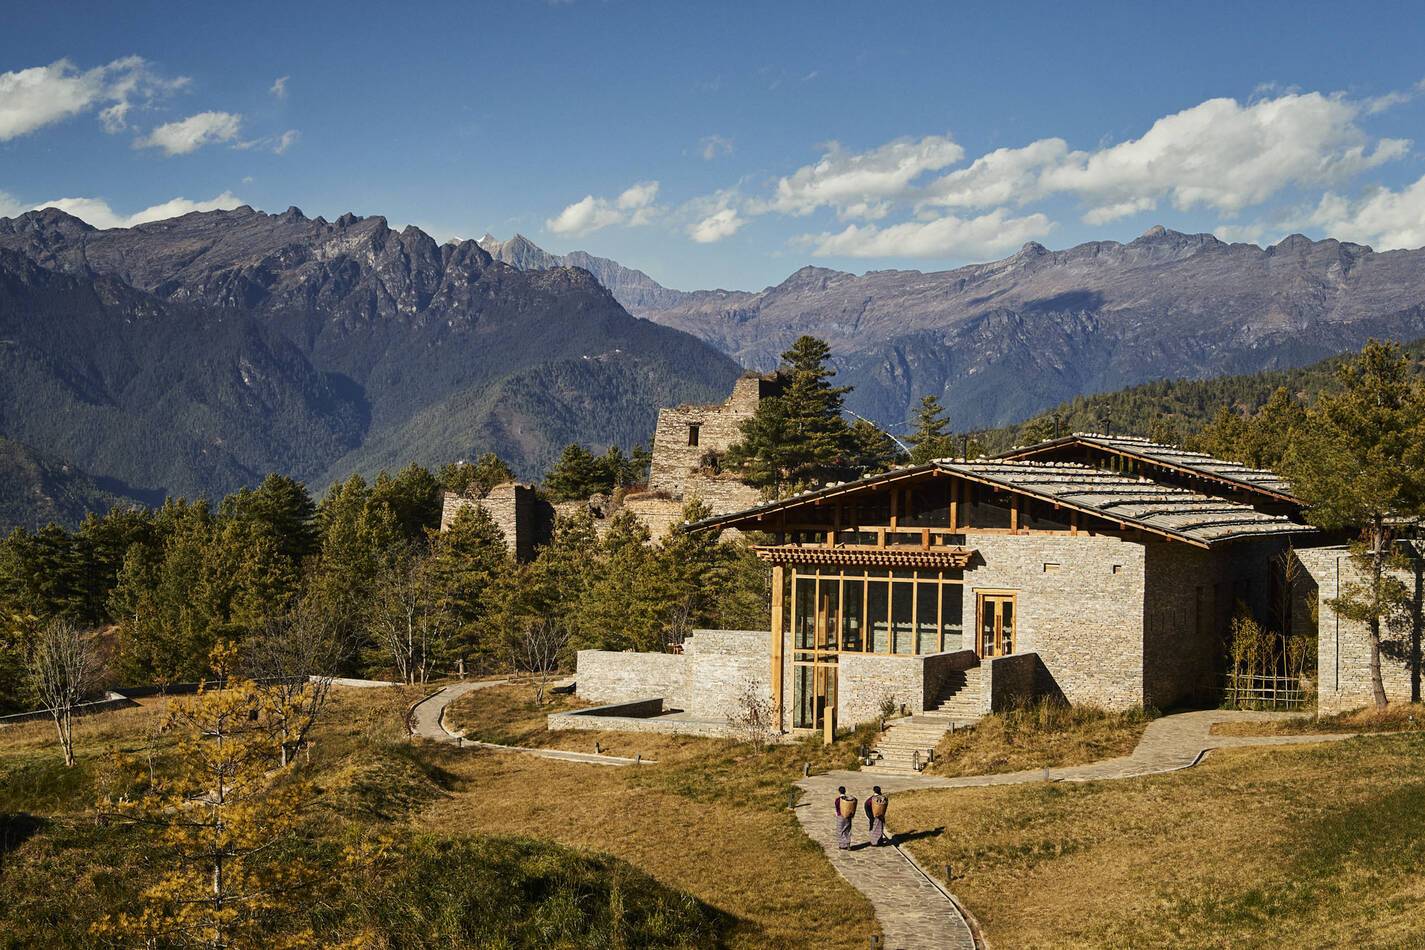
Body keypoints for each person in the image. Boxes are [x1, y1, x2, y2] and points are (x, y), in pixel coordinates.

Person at [833, 786, 857, 850]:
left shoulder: (838, 800)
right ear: (845, 791)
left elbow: (837, 808)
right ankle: (848, 844)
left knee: (840, 831)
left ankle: (842, 845)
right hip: (848, 817)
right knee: (847, 830)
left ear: (839, 791)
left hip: (840, 816)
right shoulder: (849, 799)